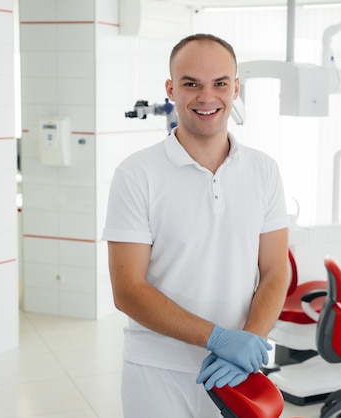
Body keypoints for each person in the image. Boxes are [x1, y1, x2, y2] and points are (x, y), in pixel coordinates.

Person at [102, 33, 290, 417]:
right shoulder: (136, 174)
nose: (207, 97)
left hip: (237, 373)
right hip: (157, 373)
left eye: (220, 83)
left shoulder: (264, 171)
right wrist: (219, 338)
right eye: (191, 84)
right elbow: (128, 290)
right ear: (171, 89)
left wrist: (249, 340)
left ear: (235, 88)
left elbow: (275, 270)